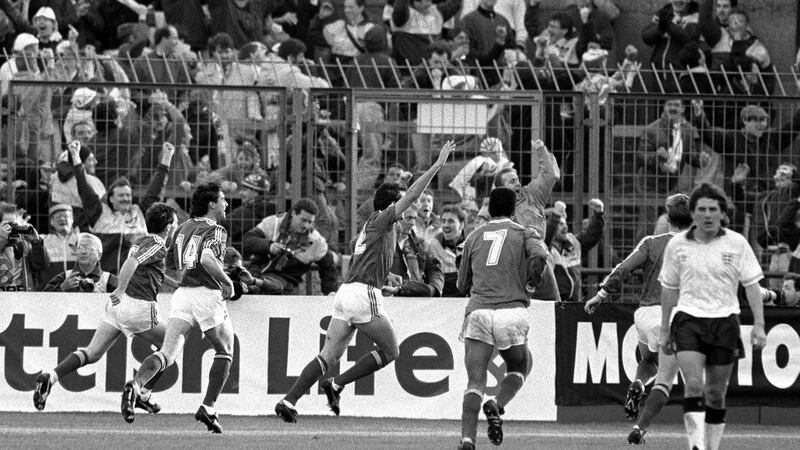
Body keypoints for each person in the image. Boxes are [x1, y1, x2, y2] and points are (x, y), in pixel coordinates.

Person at [274, 140, 455, 422]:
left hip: (347, 293)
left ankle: (289, 399)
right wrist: (437, 165)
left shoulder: (377, 228)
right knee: (391, 351)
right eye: (403, 203)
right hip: (362, 295)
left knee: (328, 356)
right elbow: (411, 195)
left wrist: (389, 277)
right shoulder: (383, 220)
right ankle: (337, 384)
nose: (410, 209)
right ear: (393, 204)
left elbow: (367, 264)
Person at [32, 203, 178, 414]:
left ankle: (50, 377)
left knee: (92, 353)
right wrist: (120, 289)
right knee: (173, 343)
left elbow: (148, 270)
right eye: (175, 224)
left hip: (117, 307)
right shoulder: (157, 244)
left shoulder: (142, 241)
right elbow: (131, 264)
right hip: (138, 307)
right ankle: (138, 389)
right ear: (169, 226)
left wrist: (177, 286)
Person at [120, 183, 235, 433]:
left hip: (183, 295)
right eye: (223, 199)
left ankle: (138, 385)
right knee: (225, 350)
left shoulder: (183, 228)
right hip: (206, 293)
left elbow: (171, 260)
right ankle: (209, 407)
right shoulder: (216, 229)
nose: (227, 204)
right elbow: (206, 258)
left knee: (168, 353)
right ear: (212, 204)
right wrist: (227, 281)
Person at [659, 183, 766, 450]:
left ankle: (712, 447)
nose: (707, 214)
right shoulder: (677, 246)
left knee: (716, 394)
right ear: (693, 213)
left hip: (725, 322)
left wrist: (760, 325)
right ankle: (696, 446)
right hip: (688, 321)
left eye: (713, 209)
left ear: (722, 213)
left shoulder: (737, 243)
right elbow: (669, 289)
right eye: (702, 209)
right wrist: (664, 329)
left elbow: (752, 286)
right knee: (694, 385)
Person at [584, 194, 693, 444]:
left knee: (648, 359)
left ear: (667, 216)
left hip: (644, 315)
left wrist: (600, 295)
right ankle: (640, 428)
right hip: (675, 317)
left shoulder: (651, 242)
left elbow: (623, 269)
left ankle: (638, 384)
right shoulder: (697, 247)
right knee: (666, 379)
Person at [455, 187, 549, 450]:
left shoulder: (474, 237)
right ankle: (497, 405)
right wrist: (532, 282)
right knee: (521, 365)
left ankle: (466, 439)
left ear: (490, 210)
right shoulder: (524, 232)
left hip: (479, 310)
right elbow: (540, 256)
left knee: (475, 379)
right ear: (514, 210)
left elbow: (462, 284)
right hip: (511, 310)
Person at [242, 198, 334, 295]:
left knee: (264, 288)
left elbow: (329, 266)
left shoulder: (316, 241)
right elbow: (248, 240)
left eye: (310, 222)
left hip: (284, 282)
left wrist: (330, 293)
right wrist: (269, 246)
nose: (306, 226)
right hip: (256, 270)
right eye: (303, 220)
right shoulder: (273, 222)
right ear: (294, 213)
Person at [42, 233, 117, 293]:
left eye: (89, 249)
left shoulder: (109, 280)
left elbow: (125, 303)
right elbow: (44, 301)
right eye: (79, 248)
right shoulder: (64, 278)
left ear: (99, 256)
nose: (83, 252)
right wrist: (62, 288)